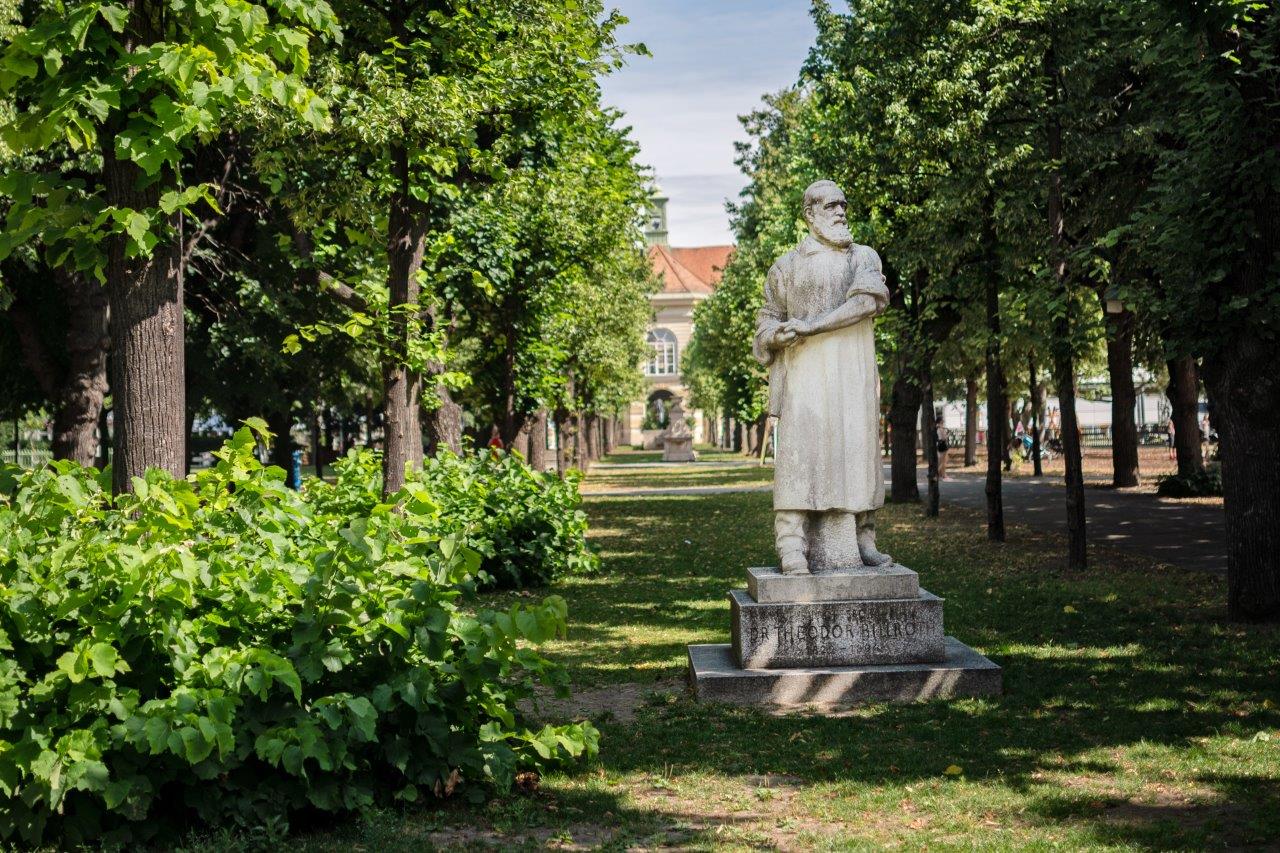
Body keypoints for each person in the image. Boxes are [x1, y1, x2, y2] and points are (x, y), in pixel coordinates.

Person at [754, 179, 891, 574]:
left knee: (858, 452)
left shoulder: (862, 257)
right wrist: (774, 334)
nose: (841, 212)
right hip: (805, 379)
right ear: (809, 214)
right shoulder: (786, 266)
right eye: (830, 206)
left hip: (853, 373)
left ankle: (864, 535)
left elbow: (865, 302)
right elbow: (767, 318)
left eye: (844, 205)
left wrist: (811, 326)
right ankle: (791, 544)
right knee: (800, 455)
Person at [936, 412, 952, 480]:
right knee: (943, 461)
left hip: (940, 444)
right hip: (943, 444)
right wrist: (948, 434)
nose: (944, 421)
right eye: (943, 420)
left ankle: (941, 475)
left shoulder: (937, 427)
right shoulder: (940, 428)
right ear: (941, 421)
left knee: (941, 461)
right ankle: (942, 475)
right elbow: (944, 438)